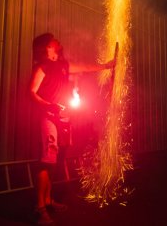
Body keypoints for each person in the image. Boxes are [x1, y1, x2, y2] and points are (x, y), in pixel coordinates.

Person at [30, 33, 114, 224]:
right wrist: (48, 105)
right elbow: (32, 92)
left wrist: (106, 65)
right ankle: (39, 208)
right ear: (46, 48)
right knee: (46, 161)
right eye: (53, 40)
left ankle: (49, 200)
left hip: (63, 120)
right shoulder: (42, 67)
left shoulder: (63, 65)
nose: (57, 41)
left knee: (55, 161)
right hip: (49, 118)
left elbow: (84, 67)